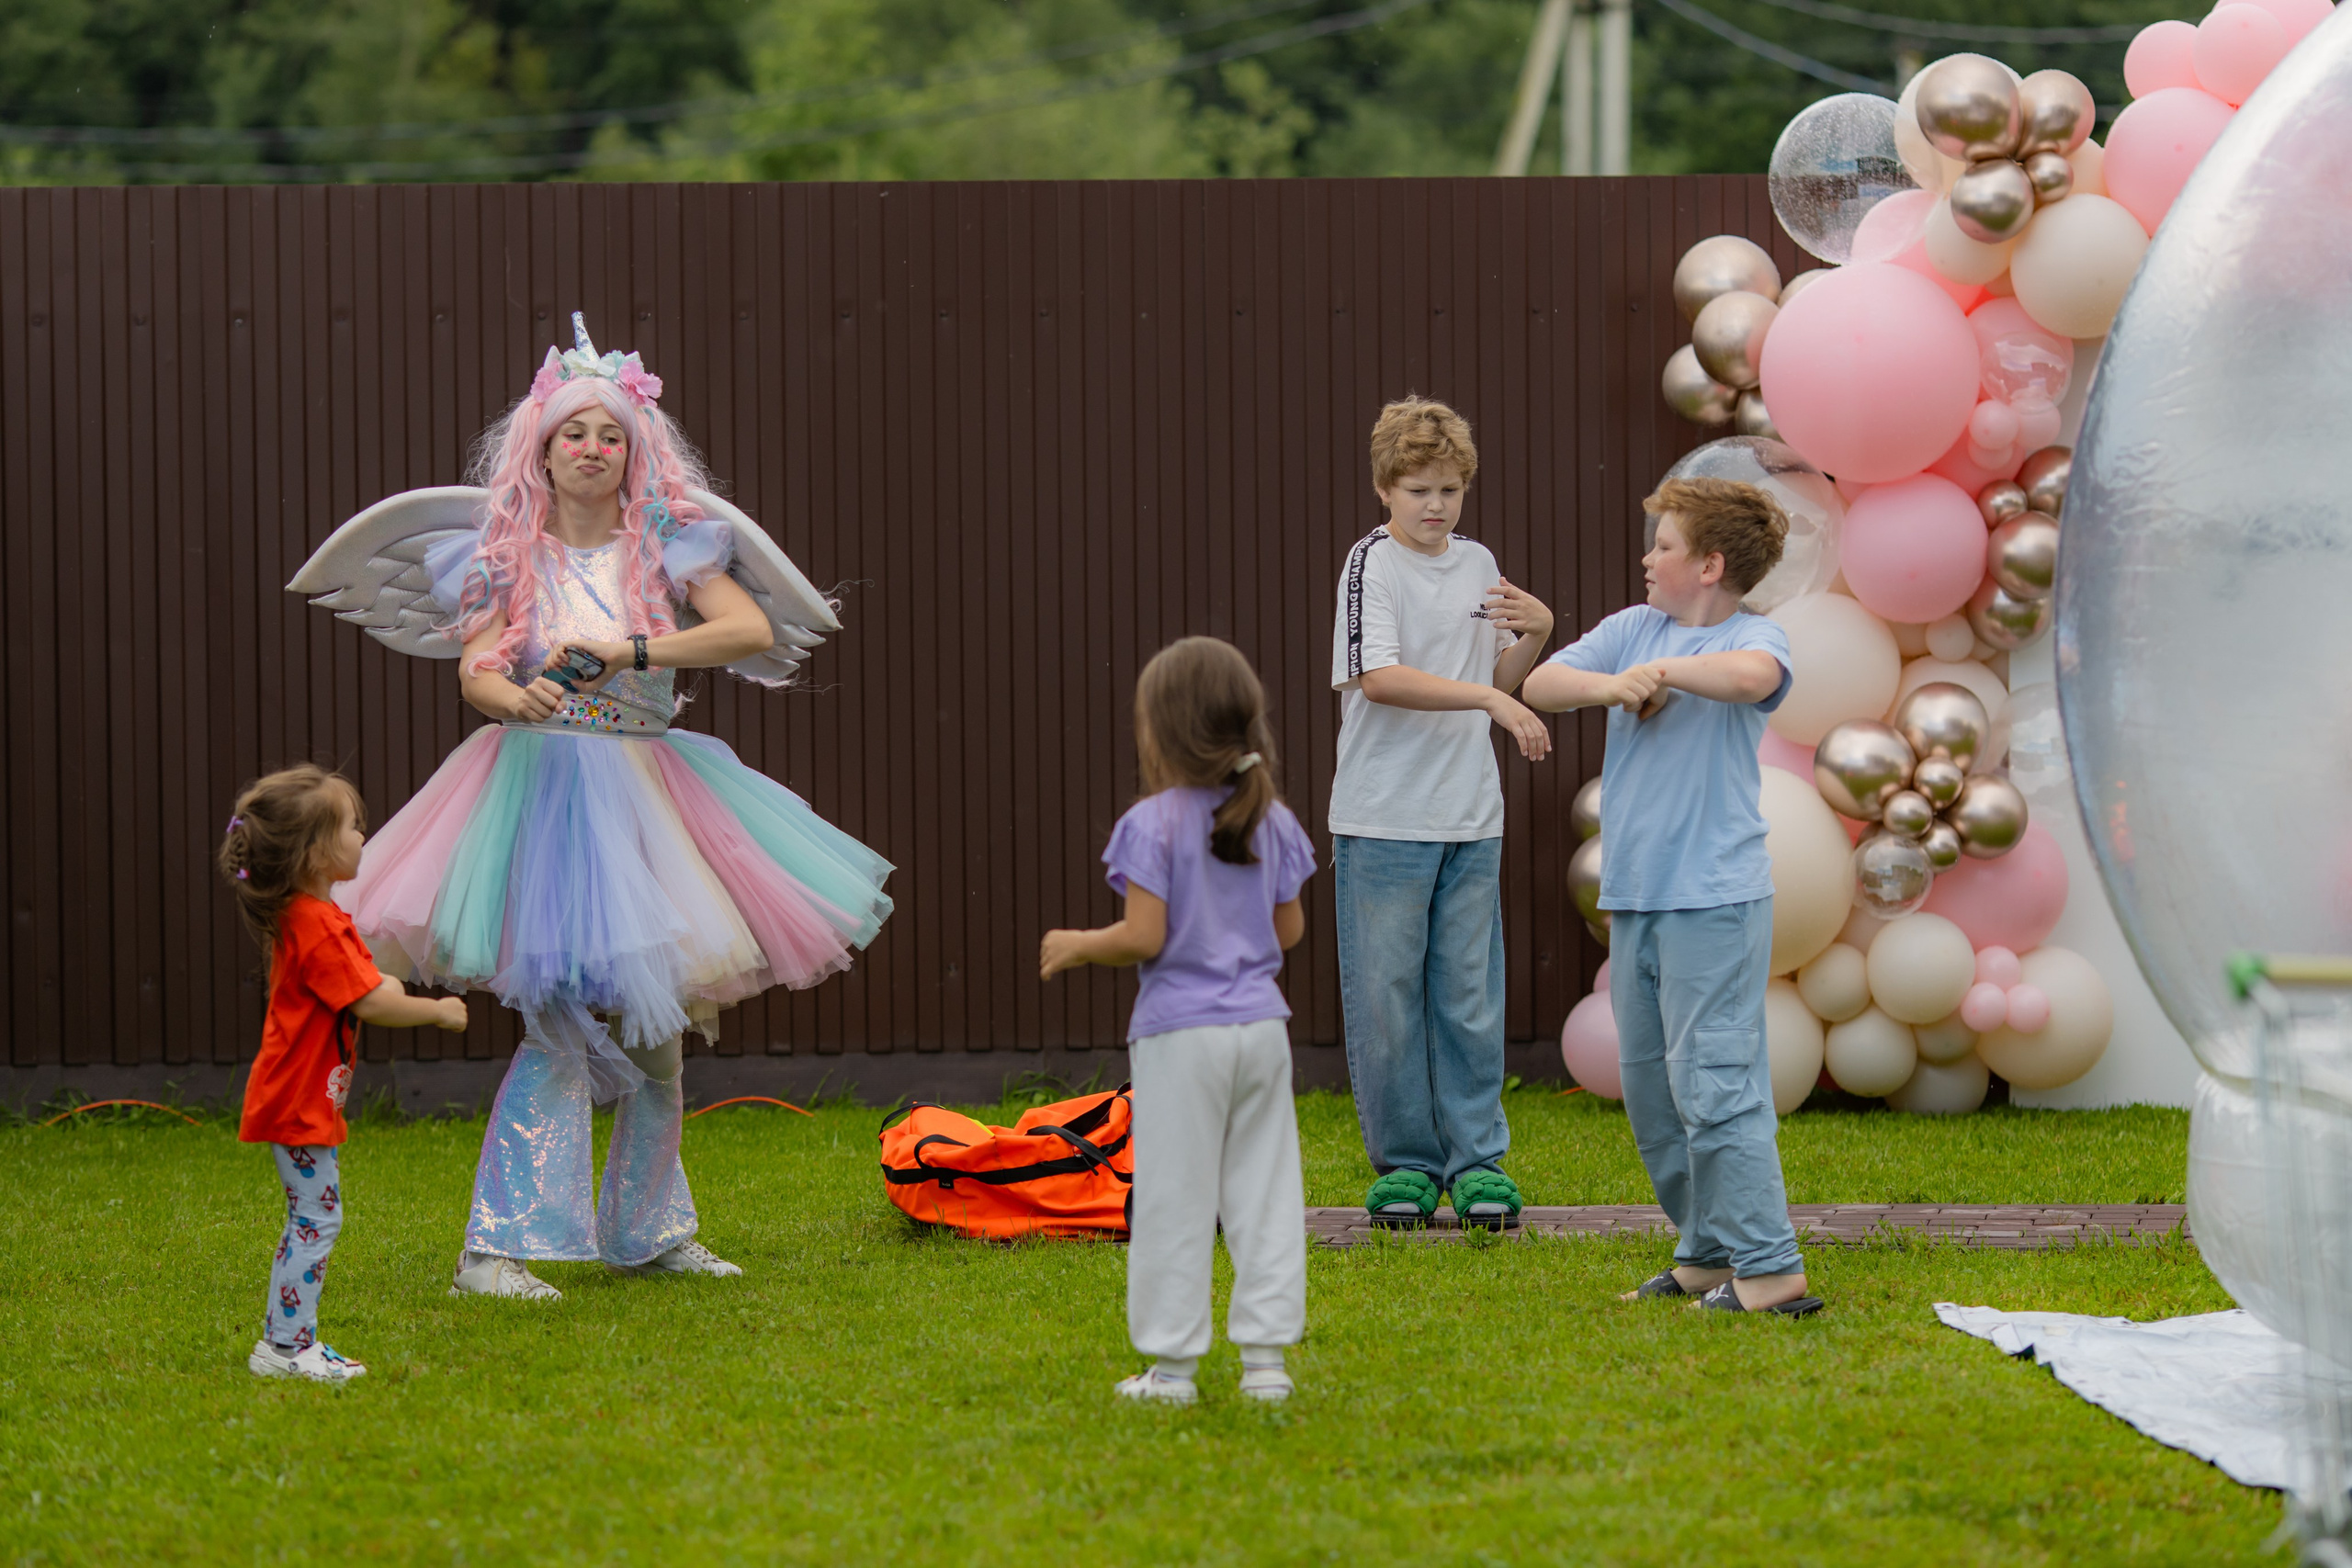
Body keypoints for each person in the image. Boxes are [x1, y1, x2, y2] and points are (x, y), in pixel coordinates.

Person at [338, 316, 894, 1300]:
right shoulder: (503, 556)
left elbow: (745, 629)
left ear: (632, 452)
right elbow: (477, 666)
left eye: (609, 436)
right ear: (541, 453)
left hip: (648, 793)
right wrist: (513, 694)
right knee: (554, 1029)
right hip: (537, 793)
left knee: (658, 1035)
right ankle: (497, 1248)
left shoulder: (670, 547)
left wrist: (633, 652)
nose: (591, 450)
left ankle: (648, 1230)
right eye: (573, 435)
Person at [1522, 477, 1823, 1316]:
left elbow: (1751, 675)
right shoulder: (1631, 629)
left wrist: (1662, 673)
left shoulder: (1755, 635)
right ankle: (1706, 1249)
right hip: (1640, 898)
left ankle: (1771, 1268)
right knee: (1654, 1089)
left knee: (1718, 1084)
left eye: (1663, 544)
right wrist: (1613, 684)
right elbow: (1542, 684)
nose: (1647, 557)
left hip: (1714, 902)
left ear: (1710, 563)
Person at [1041, 637, 1318, 1404]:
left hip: (1179, 1034)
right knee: (1264, 1191)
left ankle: (1172, 1370)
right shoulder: (1274, 819)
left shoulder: (1151, 824)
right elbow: (1288, 933)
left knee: (1175, 1193)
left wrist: (1077, 944)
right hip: (1261, 1031)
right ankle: (1266, 1367)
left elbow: (1145, 936)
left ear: (1159, 731)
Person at [1329, 397, 1554, 1230]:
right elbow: (1379, 677)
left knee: (1468, 994)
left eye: (1451, 489)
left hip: (1470, 816)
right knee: (1387, 998)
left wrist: (1537, 633)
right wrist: (1491, 706)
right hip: (1382, 816)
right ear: (1385, 487)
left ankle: (1479, 1164)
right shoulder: (1370, 566)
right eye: (1419, 488)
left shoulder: (1479, 561)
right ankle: (1408, 1167)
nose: (1436, 506)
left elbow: (1497, 679)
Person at [221, 764, 470, 1382]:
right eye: (353, 827)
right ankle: (285, 1348)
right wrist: (436, 1010)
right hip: (297, 1099)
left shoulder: (311, 915)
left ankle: (286, 1343)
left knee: (313, 1215)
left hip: (300, 1095)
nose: (364, 836)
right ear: (315, 854)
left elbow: (354, 981)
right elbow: (370, 1001)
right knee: (316, 1218)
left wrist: (384, 983)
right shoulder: (316, 922)